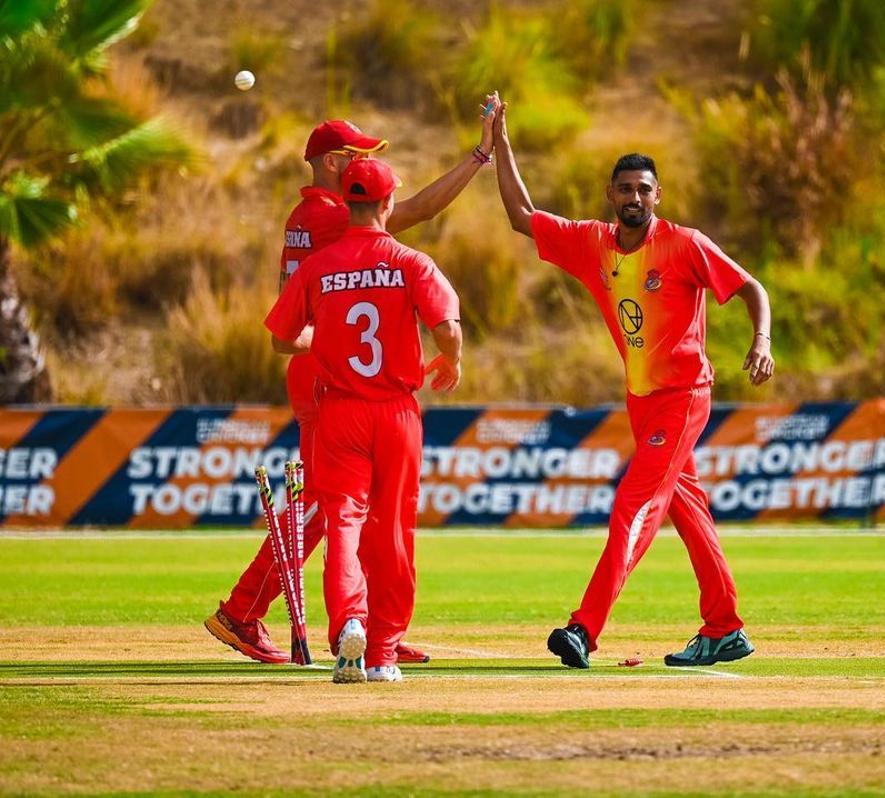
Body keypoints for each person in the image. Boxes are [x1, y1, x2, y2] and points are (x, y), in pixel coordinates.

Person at [205, 98, 496, 665]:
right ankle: (248, 609)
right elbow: (415, 211)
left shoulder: (306, 217)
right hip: (331, 378)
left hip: (324, 371)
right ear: (337, 162)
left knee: (347, 508)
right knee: (325, 507)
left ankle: (372, 625)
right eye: (359, 155)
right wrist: (479, 156)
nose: (364, 168)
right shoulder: (328, 216)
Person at [492, 98, 775, 669]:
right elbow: (522, 216)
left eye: (644, 189)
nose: (635, 198)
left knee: (634, 506)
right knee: (687, 508)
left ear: (657, 196)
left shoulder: (684, 243)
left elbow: (752, 288)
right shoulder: (593, 243)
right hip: (642, 401)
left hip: (684, 395)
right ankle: (723, 627)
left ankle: (584, 628)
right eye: (625, 189)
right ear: (611, 195)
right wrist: (500, 139)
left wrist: (761, 340)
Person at [264, 157, 463, 683]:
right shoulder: (410, 261)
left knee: (343, 524)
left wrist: (318, 339)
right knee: (394, 530)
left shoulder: (319, 265)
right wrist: (452, 359)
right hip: (395, 412)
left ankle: (349, 618)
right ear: (388, 203)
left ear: (347, 203)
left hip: (339, 411)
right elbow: (447, 327)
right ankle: (382, 654)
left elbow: (282, 339)